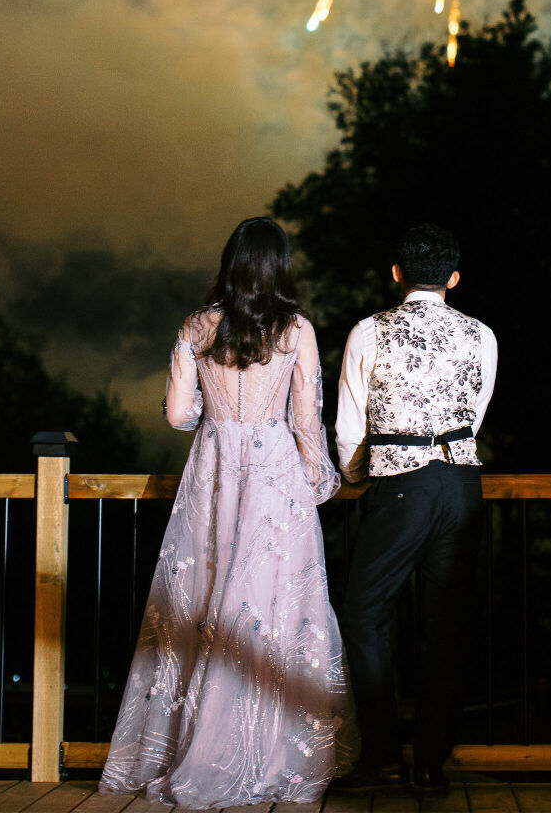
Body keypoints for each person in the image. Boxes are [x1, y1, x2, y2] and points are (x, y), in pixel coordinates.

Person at [99, 217, 357, 808]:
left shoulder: (197, 325)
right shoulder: (296, 329)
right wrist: (320, 480)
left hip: (213, 472)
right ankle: (265, 751)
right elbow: (305, 420)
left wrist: (207, 418)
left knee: (201, 605)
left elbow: (175, 415)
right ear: (279, 266)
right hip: (274, 478)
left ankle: (193, 747)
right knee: (273, 610)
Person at [333, 223, 497, 795]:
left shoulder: (368, 332)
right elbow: (475, 413)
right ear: (453, 277)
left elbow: (351, 424)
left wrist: (357, 477)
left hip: (402, 486)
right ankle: (430, 764)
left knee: (363, 615)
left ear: (397, 273)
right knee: (446, 625)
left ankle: (381, 755)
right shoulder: (481, 335)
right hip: (462, 485)